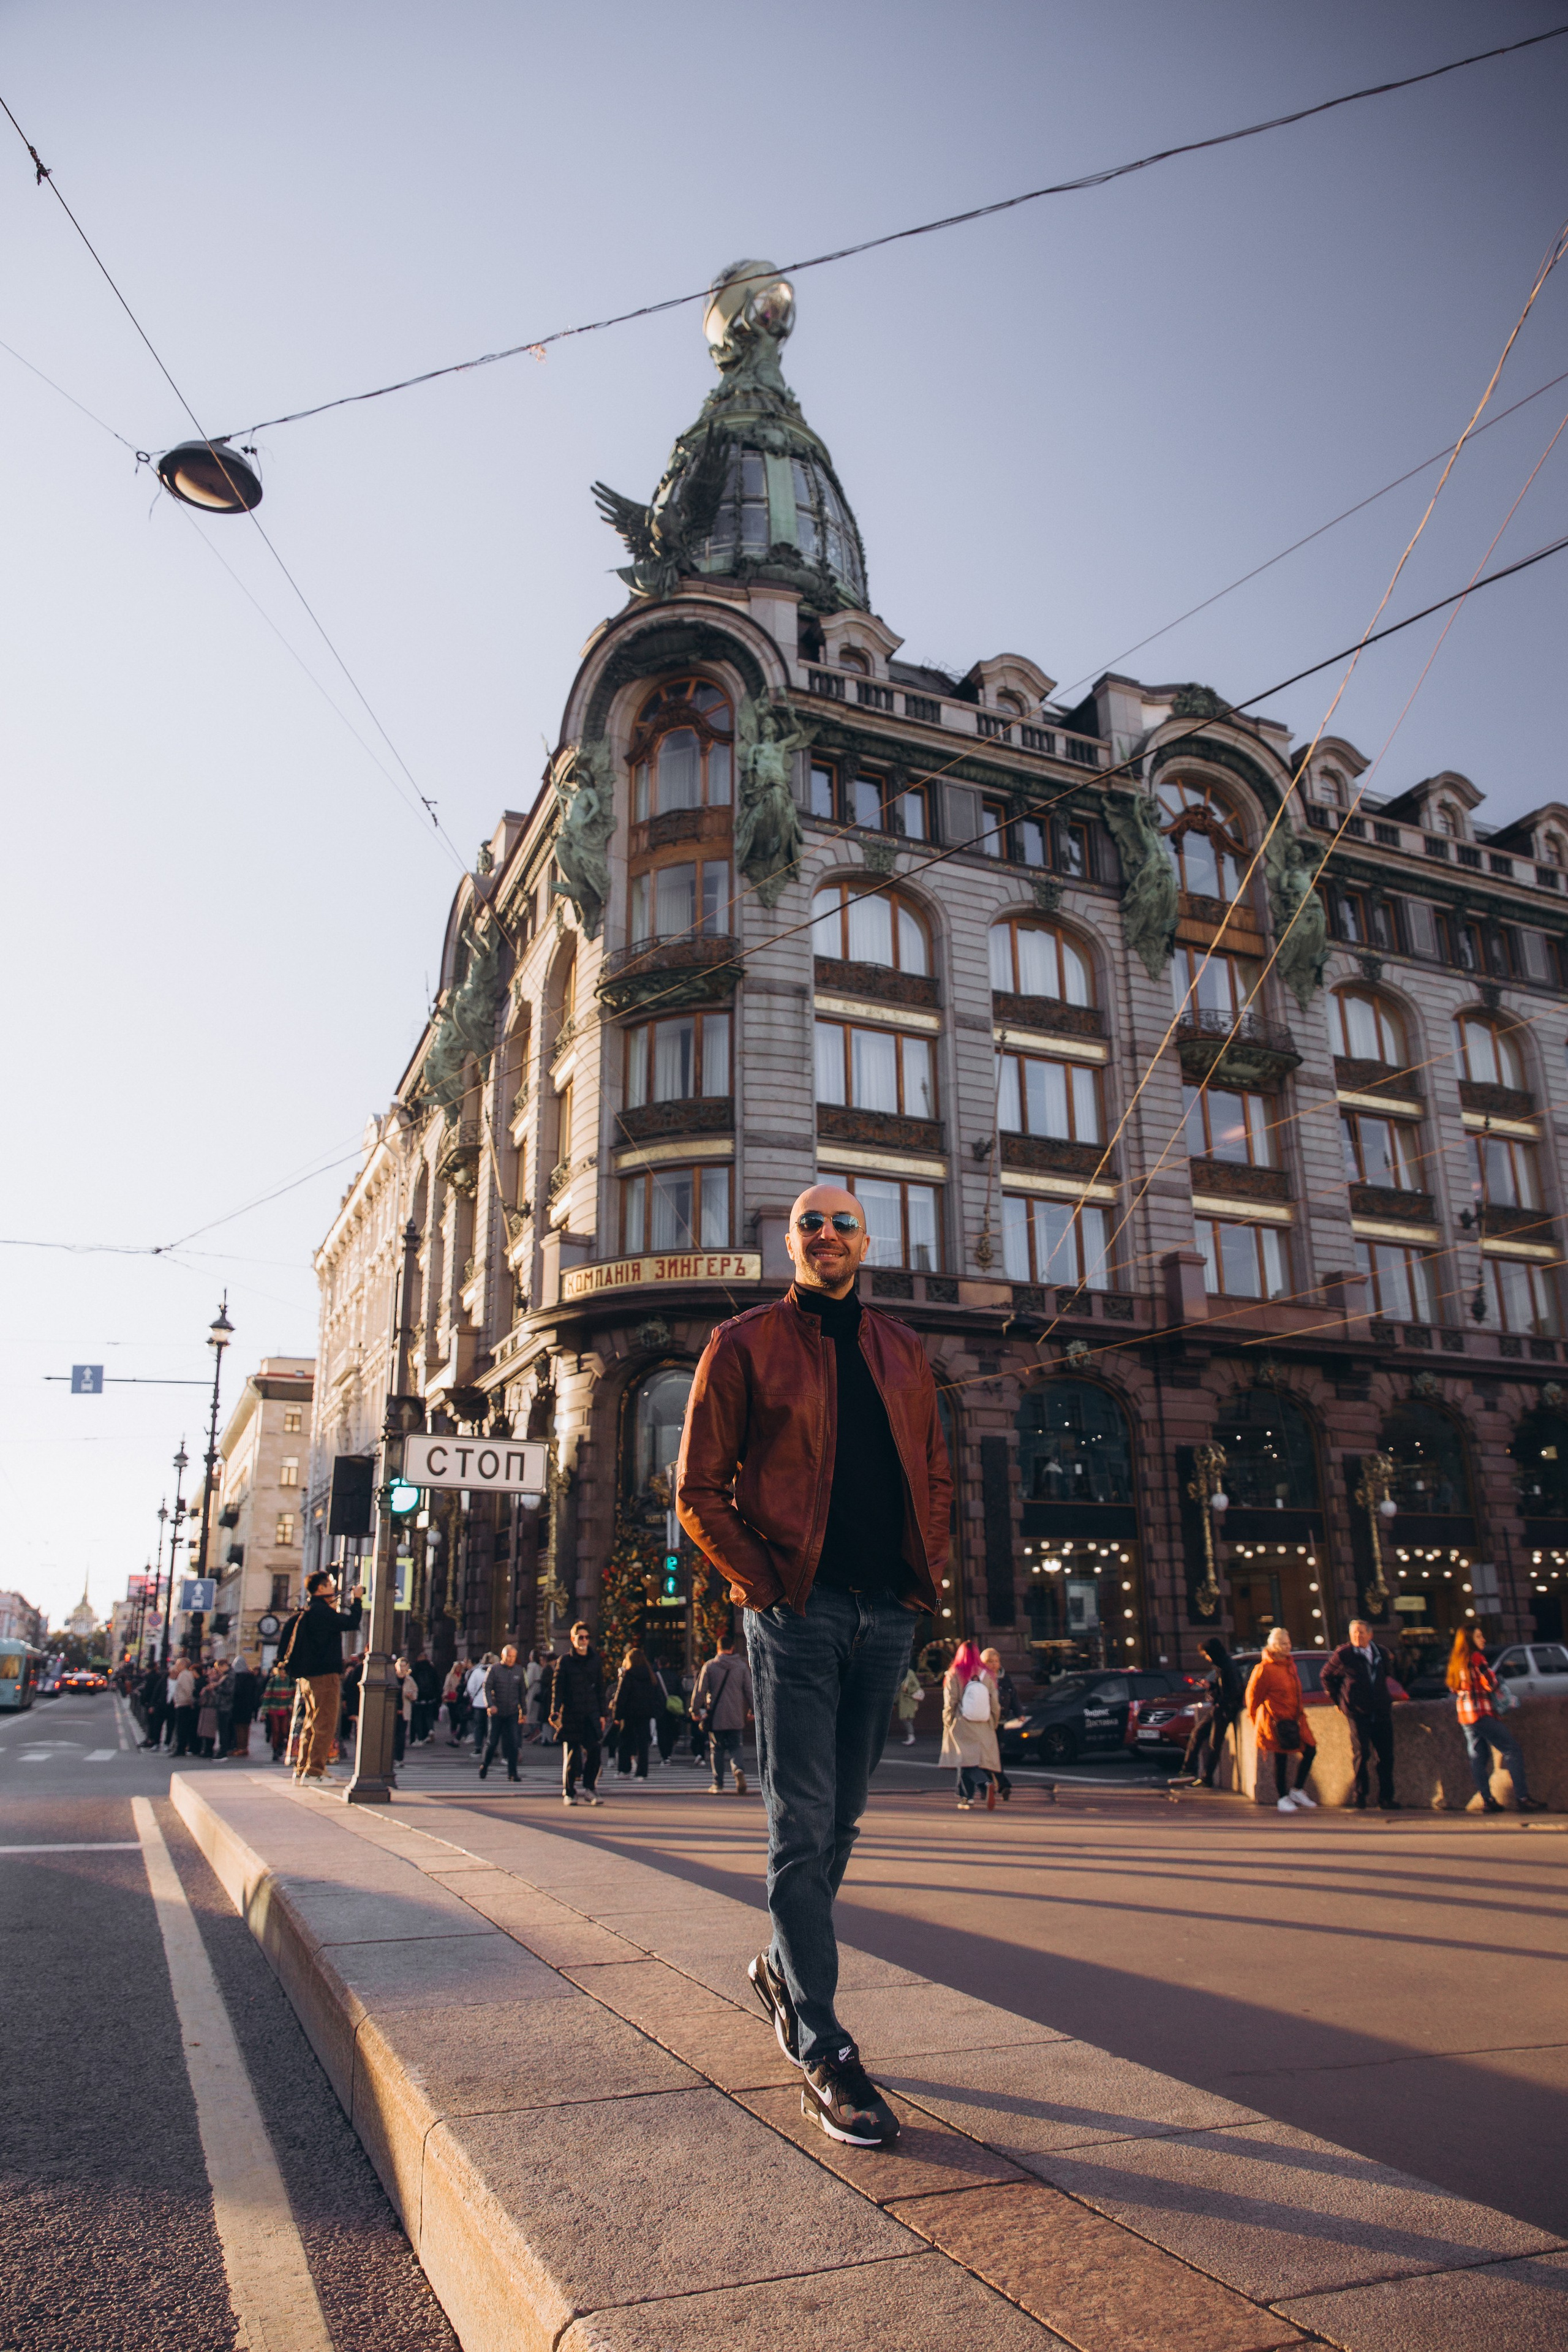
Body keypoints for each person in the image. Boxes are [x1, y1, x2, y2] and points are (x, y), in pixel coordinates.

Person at [678, 1182, 951, 2150]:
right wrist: (766, 1585)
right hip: (799, 1612)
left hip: (887, 1616)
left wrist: (930, 1571)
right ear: (787, 1241)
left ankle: (780, 1970)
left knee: (845, 1815)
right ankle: (823, 2044)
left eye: (842, 1223)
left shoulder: (903, 1347)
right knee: (801, 1825)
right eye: (810, 1223)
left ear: (865, 1240)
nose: (827, 1235)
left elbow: (936, 1471)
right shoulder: (746, 1343)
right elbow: (698, 1488)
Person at [277, 1569, 365, 1783]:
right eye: (329, 1584)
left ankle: (304, 1767)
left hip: (308, 1677)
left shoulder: (310, 1611)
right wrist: (357, 1600)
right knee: (325, 1724)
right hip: (325, 1676)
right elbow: (351, 1623)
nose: (333, 1587)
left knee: (311, 1722)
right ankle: (314, 1771)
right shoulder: (322, 1613)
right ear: (320, 1588)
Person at [1447, 1628, 1545, 1813]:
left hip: (1465, 1715)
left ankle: (1488, 1800)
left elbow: (1454, 1689)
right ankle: (1522, 1798)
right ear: (1469, 1640)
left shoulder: (1456, 1661)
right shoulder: (1476, 1657)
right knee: (1512, 1750)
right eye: (1478, 1636)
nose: (1483, 1639)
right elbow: (1491, 1684)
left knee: (1478, 1756)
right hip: (1482, 1713)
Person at [1322, 1619, 1402, 1810]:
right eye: (1354, 1633)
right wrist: (1339, 1701)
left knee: (1386, 1755)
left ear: (1370, 1635)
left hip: (1381, 1709)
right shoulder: (1344, 1654)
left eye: (1361, 1633)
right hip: (1357, 1711)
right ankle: (1360, 1795)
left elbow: (1390, 1674)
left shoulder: (1381, 1653)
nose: (1358, 1637)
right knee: (1362, 1753)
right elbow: (1326, 1676)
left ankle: (1386, 1797)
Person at [1245, 1627, 1318, 1812]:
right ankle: (1282, 1797)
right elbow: (1253, 1699)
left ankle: (1297, 1790)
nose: (1289, 1647)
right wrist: (1257, 1723)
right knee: (1281, 1758)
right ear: (1275, 1646)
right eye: (1284, 1644)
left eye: (1289, 1643)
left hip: (1296, 1719)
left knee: (1311, 1749)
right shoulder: (1264, 1669)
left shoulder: (1290, 1665)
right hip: (1276, 1721)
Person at [1174, 1638, 1245, 1789]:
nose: (1206, 1658)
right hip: (1220, 1708)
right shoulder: (1223, 1665)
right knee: (1198, 1733)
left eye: (1207, 1654)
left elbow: (1234, 1691)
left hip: (1225, 1709)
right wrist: (1211, 1685)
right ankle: (1188, 1770)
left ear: (1213, 1652)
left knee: (1214, 1744)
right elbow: (1226, 1688)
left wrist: (1217, 1696)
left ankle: (1205, 1778)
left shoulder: (1227, 1666)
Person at [549, 1621, 607, 1805]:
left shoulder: (595, 1660)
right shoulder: (565, 1661)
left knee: (595, 1750)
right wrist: (555, 1711)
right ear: (573, 1639)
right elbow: (557, 1689)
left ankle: (590, 1788)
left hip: (590, 1713)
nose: (584, 1641)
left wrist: (602, 1714)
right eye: (580, 1637)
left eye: (587, 1637)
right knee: (572, 1755)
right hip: (572, 1714)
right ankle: (569, 1792)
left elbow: (600, 1688)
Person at [692, 1631, 754, 1794]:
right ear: (732, 1648)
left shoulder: (710, 1666)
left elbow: (700, 1690)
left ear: (718, 1648)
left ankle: (718, 1784)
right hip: (736, 1715)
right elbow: (750, 1690)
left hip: (716, 1715)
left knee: (717, 1749)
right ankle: (738, 1770)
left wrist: (695, 1709)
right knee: (736, 1747)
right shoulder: (741, 1666)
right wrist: (753, 1710)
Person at [942, 1642, 1001, 1809]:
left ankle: (985, 1784)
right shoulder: (987, 1674)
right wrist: (993, 1722)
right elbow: (995, 1703)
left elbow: (950, 1701)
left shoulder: (955, 1673)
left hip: (962, 1722)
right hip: (984, 1723)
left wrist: (947, 1721)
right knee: (970, 1759)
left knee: (965, 1760)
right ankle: (966, 1797)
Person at [611, 1645, 663, 1781]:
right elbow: (656, 1695)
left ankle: (624, 1769)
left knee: (625, 1741)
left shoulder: (628, 1675)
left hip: (629, 1713)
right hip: (645, 1713)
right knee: (643, 1744)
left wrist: (617, 1715)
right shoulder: (650, 1675)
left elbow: (621, 1696)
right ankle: (642, 1772)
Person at [479, 1645, 526, 1782]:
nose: (511, 1659)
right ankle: (485, 1765)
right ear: (503, 1656)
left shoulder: (519, 1671)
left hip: (512, 1712)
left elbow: (522, 1693)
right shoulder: (494, 1669)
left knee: (513, 1743)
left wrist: (524, 1711)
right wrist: (490, 1705)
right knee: (492, 1742)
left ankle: (513, 1773)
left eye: (513, 1657)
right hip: (497, 1712)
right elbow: (486, 1688)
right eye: (508, 1656)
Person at [980, 1648, 1017, 1801]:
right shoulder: (982, 1678)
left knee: (991, 1755)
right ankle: (1001, 1785)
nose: (994, 1665)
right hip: (985, 1721)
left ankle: (995, 1785)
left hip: (999, 1721)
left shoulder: (1004, 1679)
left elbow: (1013, 1697)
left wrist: (1019, 1712)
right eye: (990, 1662)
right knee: (988, 1755)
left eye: (996, 1661)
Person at [229, 1655, 260, 1758]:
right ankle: (243, 1747)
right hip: (248, 1707)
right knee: (245, 1728)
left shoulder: (239, 1677)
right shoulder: (251, 1676)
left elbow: (237, 1692)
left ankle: (241, 1748)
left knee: (240, 1728)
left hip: (239, 1706)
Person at [263, 1663, 293, 1761]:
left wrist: (291, 1704)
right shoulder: (273, 1681)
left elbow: (294, 1695)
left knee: (284, 1730)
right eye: (281, 1671)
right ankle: (275, 1750)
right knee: (276, 1731)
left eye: (284, 1671)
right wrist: (264, 1712)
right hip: (274, 1709)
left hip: (285, 1710)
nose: (283, 1673)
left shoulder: (291, 1682)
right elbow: (267, 1697)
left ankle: (281, 1745)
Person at [409, 1651, 440, 1743]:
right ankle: (430, 1730)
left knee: (418, 1717)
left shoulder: (415, 1668)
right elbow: (437, 1683)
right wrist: (437, 1696)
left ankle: (420, 1737)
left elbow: (412, 1682)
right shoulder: (431, 1668)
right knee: (429, 1716)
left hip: (418, 1698)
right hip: (430, 1698)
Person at [442, 1661, 469, 1746]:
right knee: (453, 1714)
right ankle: (454, 1729)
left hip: (459, 1698)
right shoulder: (450, 1675)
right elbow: (447, 1686)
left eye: (460, 1667)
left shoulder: (463, 1675)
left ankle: (460, 1733)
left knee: (460, 1715)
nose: (458, 1669)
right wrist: (445, 1695)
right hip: (451, 1696)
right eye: (457, 1667)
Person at [894, 1664, 922, 1746]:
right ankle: (910, 1736)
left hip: (908, 1700)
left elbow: (916, 1686)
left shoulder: (909, 1673)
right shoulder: (904, 1673)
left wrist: (908, 1690)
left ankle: (911, 1736)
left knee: (906, 1719)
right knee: (907, 1718)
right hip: (904, 1700)